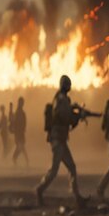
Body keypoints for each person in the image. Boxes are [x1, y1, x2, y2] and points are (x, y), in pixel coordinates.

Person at [35, 76, 88, 208]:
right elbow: (66, 118)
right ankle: (39, 190)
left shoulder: (61, 99)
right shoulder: (61, 100)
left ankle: (77, 197)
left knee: (72, 167)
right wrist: (78, 116)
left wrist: (76, 113)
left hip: (61, 139)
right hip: (58, 139)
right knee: (54, 170)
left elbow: (67, 117)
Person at [12, 96, 29, 166]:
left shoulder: (20, 112)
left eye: (22, 102)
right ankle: (17, 158)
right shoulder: (18, 112)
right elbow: (15, 122)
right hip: (18, 132)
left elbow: (24, 122)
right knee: (21, 146)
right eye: (21, 102)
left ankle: (15, 158)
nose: (21, 104)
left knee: (21, 146)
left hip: (20, 132)